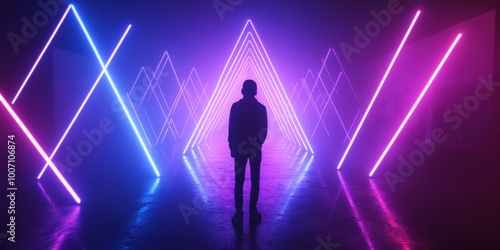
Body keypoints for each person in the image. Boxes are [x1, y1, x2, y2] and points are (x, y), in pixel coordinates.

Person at [228, 79, 267, 227]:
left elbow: (231, 128)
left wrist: (232, 146)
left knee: (239, 181)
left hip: (240, 148)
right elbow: (264, 130)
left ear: (242, 91)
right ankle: (252, 211)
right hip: (255, 149)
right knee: (255, 181)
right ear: (255, 91)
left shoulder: (236, 107)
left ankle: (239, 213)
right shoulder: (261, 108)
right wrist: (257, 144)